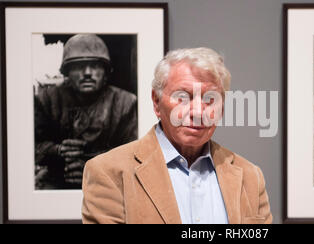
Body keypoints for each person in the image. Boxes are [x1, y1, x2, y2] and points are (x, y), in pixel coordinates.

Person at [81, 47, 273, 224]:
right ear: (156, 102)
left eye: (210, 99)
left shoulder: (250, 176)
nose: (198, 112)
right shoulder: (109, 172)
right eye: (183, 97)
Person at [34, 34, 137, 189]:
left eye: (95, 65)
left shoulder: (125, 103)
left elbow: (134, 153)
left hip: (110, 182)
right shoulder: (47, 100)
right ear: (67, 71)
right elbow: (32, 147)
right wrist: (59, 151)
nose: (87, 72)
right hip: (58, 178)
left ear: (106, 72)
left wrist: (92, 166)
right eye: (78, 66)